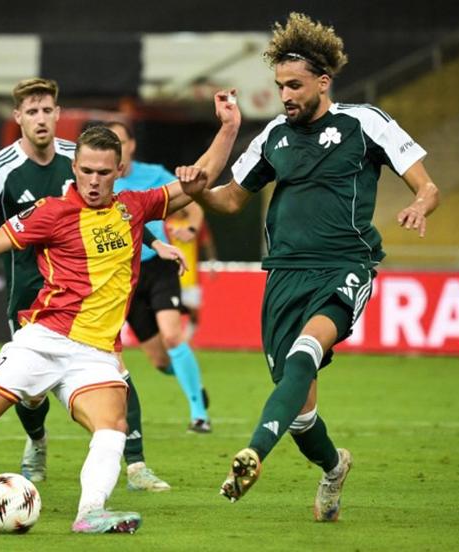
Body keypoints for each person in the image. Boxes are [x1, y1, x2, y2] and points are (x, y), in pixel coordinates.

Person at [0, 106, 240, 532]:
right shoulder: (50, 212)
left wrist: (229, 127)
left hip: (96, 354)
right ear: (75, 168)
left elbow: (200, 179)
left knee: (112, 424)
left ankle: (90, 513)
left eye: (103, 172)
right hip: (43, 341)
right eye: (86, 171)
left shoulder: (136, 208)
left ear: (119, 169)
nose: (95, 180)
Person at [178, 13, 440, 522]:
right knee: (300, 412)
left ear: (324, 81)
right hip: (283, 276)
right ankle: (333, 466)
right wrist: (197, 194)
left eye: (295, 85)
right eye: (280, 87)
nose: (286, 96)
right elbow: (232, 199)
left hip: (345, 266)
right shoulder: (275, 135)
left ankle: (253, 452)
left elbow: (427, 185)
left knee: (304, 354)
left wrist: (420, 205)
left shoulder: (365, 123)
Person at [0, 78, 171, 491]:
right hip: (31, 297)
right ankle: (37, 440)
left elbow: (115, 208)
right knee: (31, 395)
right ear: (18, 117)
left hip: (87, 296)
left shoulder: (79, 158)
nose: (41, 119)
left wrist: (153, 241)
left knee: (120, 375)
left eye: (47, 110)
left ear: (58, 114)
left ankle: (136, 465)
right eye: (32, 111)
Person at [107, 120, 212, 433]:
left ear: (132, 145)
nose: (117, 149)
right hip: (124, 274)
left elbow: (194, 199)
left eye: (121, 142)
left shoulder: (154, 174)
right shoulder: (99, 183)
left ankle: (199, 414)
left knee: (172, 334)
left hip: (159, 265)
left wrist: (190, 229)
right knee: (160, 360)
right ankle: (189, 380)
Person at [166, 209, 218, 339]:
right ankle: (174, 339)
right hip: (169, 276)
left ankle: (186, 339)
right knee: (170, 310)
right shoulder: (165, 223)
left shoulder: (195, 223)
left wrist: (212, 263)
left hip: (190, 276)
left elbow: (207, 242)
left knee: (194, 313)